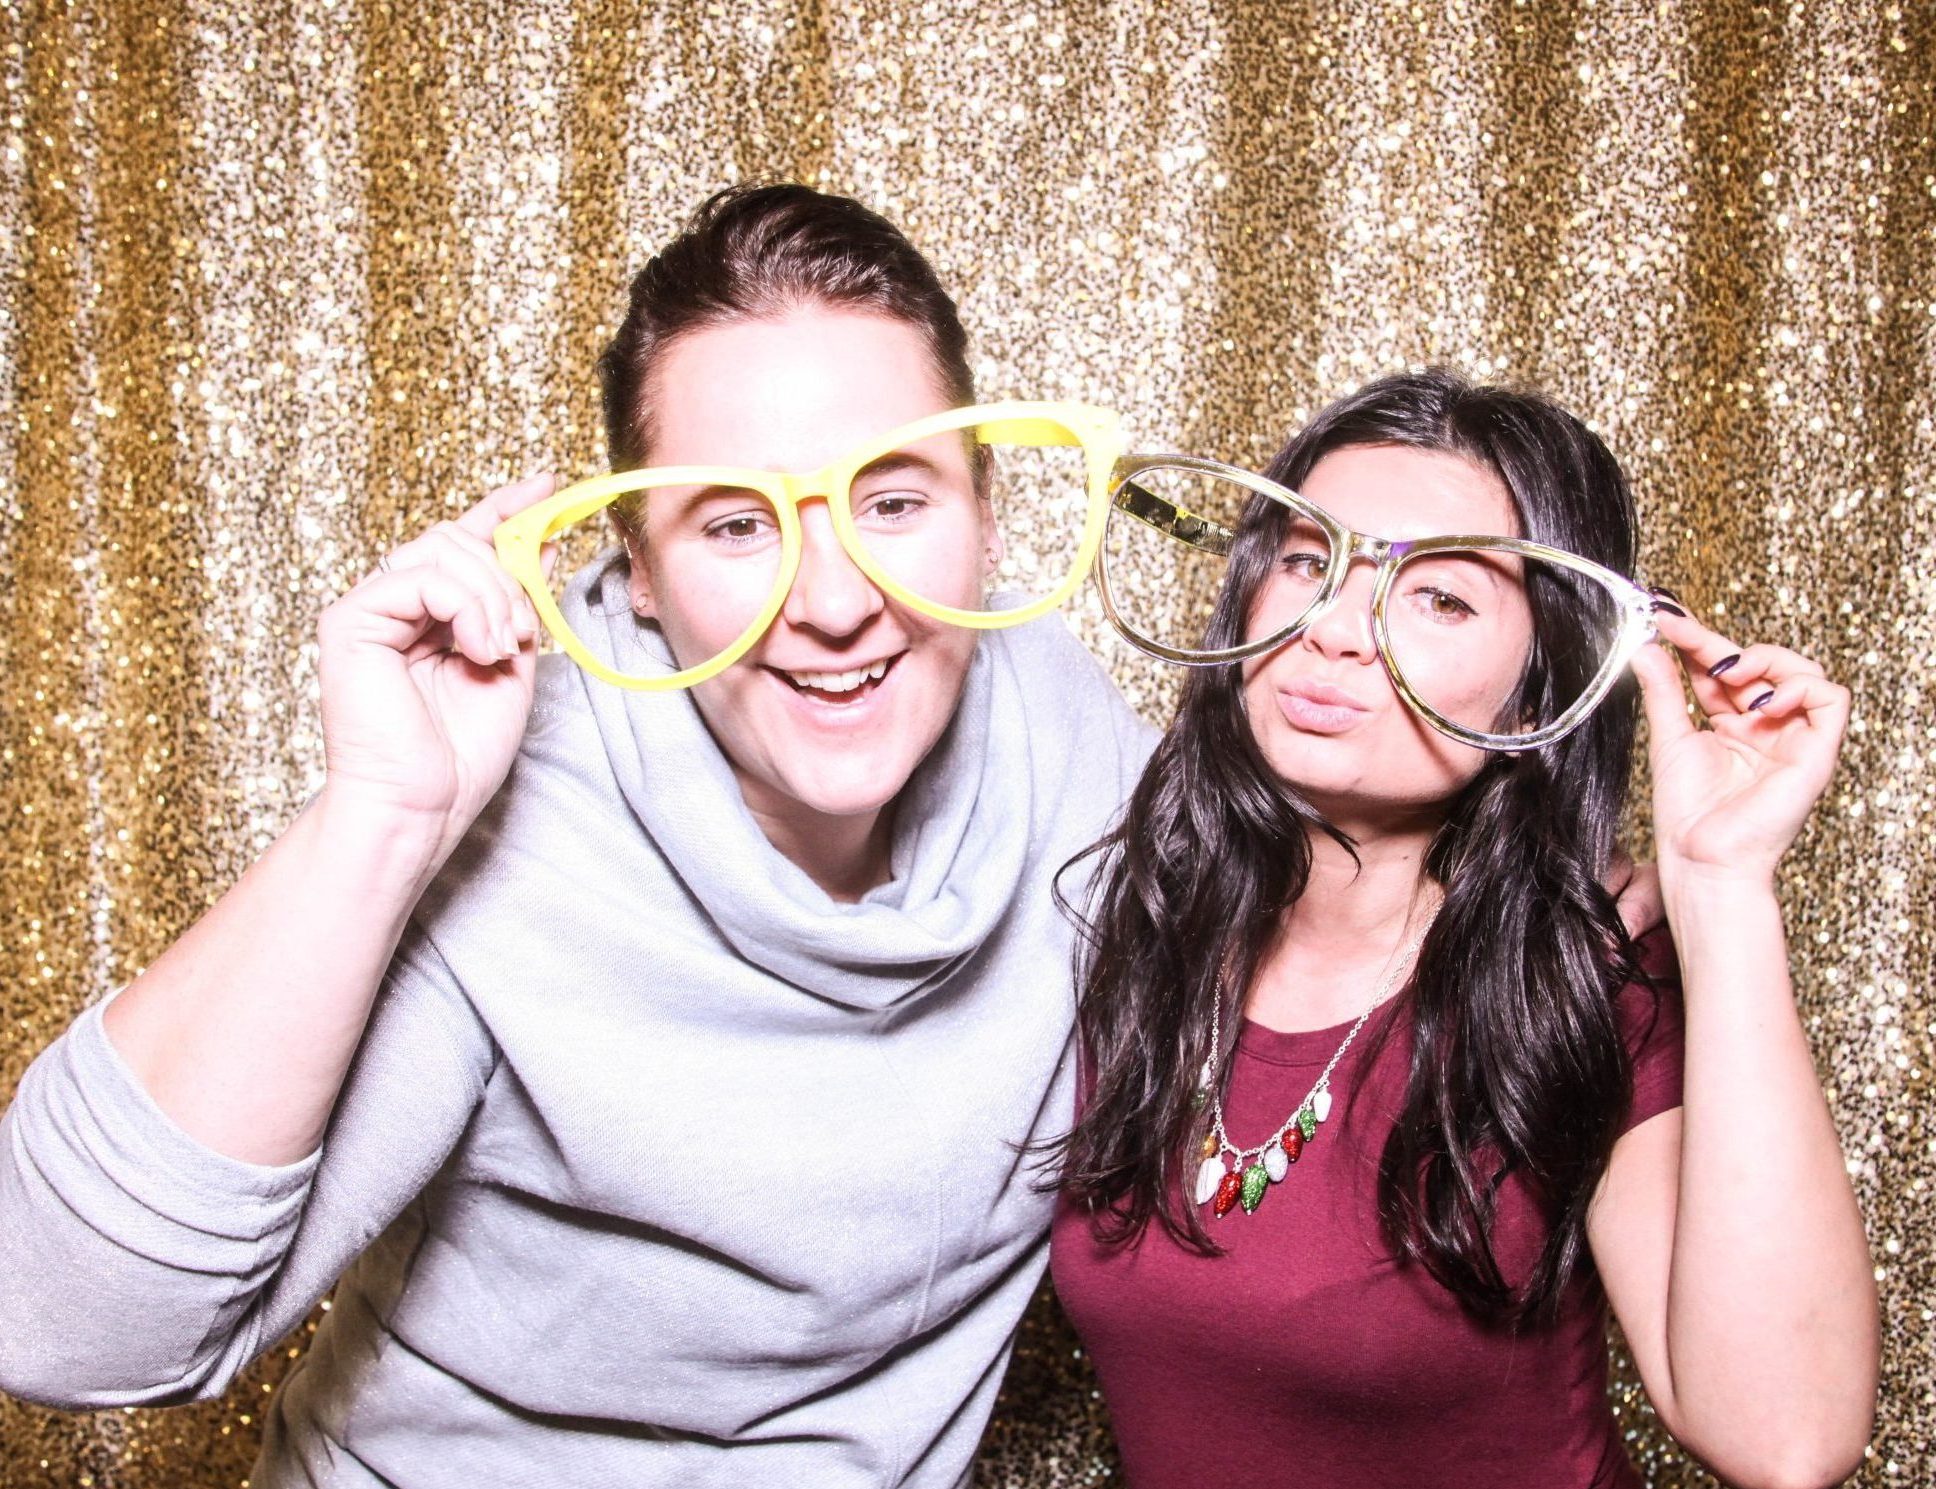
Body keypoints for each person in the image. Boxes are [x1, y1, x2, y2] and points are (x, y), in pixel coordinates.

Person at [0, 184, 1155, 1487]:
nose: (835, 601)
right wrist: (382, 821)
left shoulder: (1060, 735)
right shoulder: (515, 818)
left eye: (893, 503)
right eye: (737, 524)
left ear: (988, 515)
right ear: (638, 572)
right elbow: (63, 1323)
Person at [1049, 371, 1879, 1488]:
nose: (1334, 629)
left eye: (1438, 598)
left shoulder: (1590, 982)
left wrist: (1719, 886)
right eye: (1306, 559)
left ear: (1541, 692)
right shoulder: (1136, 925)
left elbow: (1786, 1439)